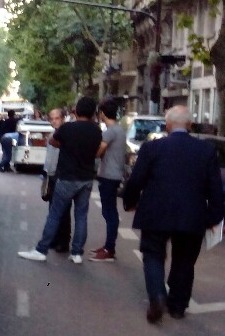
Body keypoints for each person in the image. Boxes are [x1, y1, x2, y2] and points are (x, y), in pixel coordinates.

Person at [122, 105, 224, 323]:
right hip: (192, 214)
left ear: (167, 125)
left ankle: (158, 295)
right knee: (185, 260)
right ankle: (177, 306)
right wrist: (215, 217)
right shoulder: (206, 150)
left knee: (153, 255)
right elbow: (215, 187)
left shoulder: (152, 148)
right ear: (189, 125)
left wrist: (130, 202)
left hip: (156, 212)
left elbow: (136, 180)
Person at [18, 96, 102, 264]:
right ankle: (77, 252)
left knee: (55, 214)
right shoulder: (96, 130)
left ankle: (41, 250)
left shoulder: (68, 129)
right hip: (86, 178)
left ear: (76, 111)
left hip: (67, 177)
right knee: (81, 216)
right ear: (93, 113)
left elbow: (52, 141)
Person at [89, 98, 126, 262]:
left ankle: (109, 248)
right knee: (110, 212)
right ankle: (107, 246)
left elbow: (99, 150)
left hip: (109, 175)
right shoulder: (119, 129)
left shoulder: (110, 131)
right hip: (114, 174)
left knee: (109, 213)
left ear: (102, 113)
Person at [43, 107, 71, 252]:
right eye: (51, 118)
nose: (54, 121)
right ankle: (54, 238)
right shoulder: (53, 134)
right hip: (52, 175)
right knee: (53, 208)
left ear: (63, 118)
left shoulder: (66, 134)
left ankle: (63, 241)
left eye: (57, 118)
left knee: (63, 210)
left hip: (62, 176)